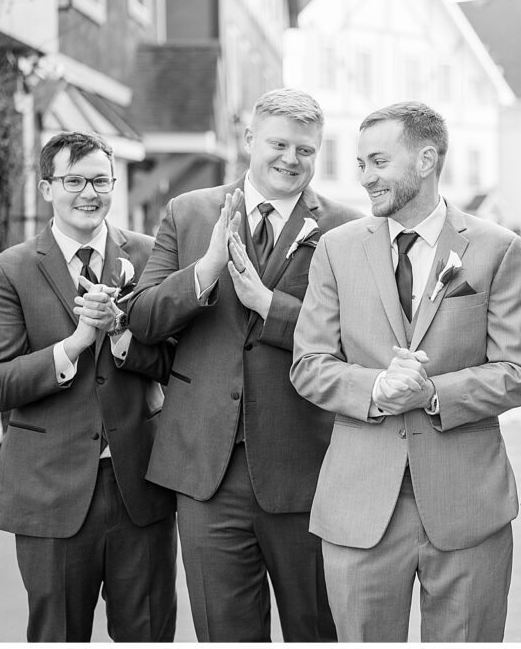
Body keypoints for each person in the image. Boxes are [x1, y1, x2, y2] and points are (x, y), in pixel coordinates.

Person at [290, 101, 521, 642]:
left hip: (466, 505)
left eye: (378, 161)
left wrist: (432, 393)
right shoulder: (335, 249)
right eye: (359, 164)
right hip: (360, 506)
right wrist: (377, 386)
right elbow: (308, 365)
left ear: (426, 160)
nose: (365, 177)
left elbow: (519, 372)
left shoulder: (497, 249)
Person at [126, 88, 361, 642]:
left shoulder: (347, 230)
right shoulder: (188, 213)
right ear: (249, 140)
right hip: (205, 468)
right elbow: (141, 318)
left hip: (307, 465)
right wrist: (204, 271)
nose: (291, 159)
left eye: (305, 150)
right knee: (223, 633)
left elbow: (357, 341)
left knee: (316, 629)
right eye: (279, 144)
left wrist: (271, 307)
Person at [0, 131, 177, 641]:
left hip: (142, 484)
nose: (89, 193)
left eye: (100, 180)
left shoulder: (151, 255)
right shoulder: (10, 270)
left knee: (150, 632)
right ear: (47, 188)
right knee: (58, 635)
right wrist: (74, 343)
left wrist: (119, 333)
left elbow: (178, 363)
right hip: (52, 493)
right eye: (73, 180)